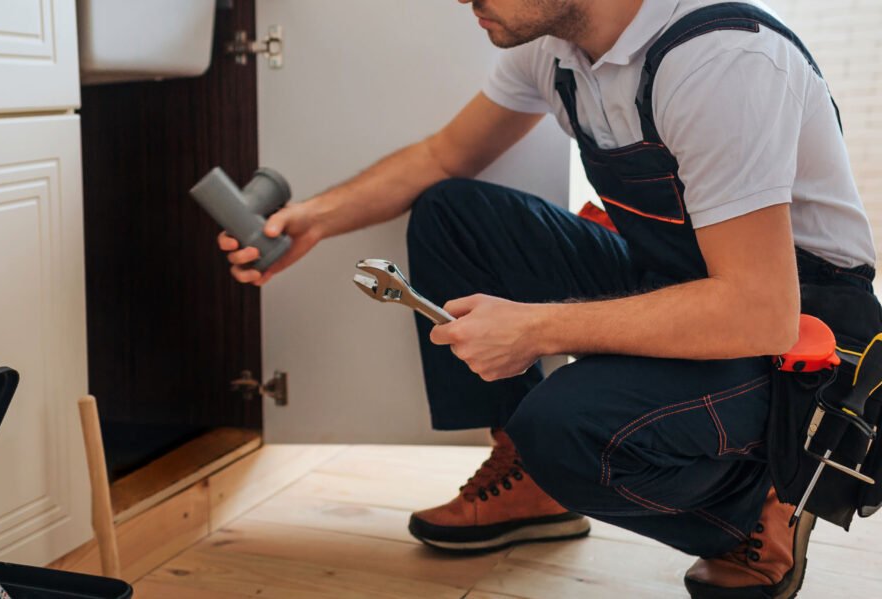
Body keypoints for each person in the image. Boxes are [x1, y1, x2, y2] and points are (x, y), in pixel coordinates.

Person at [218, 1, 877, 597]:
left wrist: (537, 329)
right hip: (681, 276)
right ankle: (528, 482)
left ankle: (762, 495)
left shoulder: (721, 64)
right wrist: (314, 219)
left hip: (798, 337)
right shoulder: (554, 47)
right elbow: (442, 155)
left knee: (561, 427)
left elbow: (756, 311)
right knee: (453, 212)